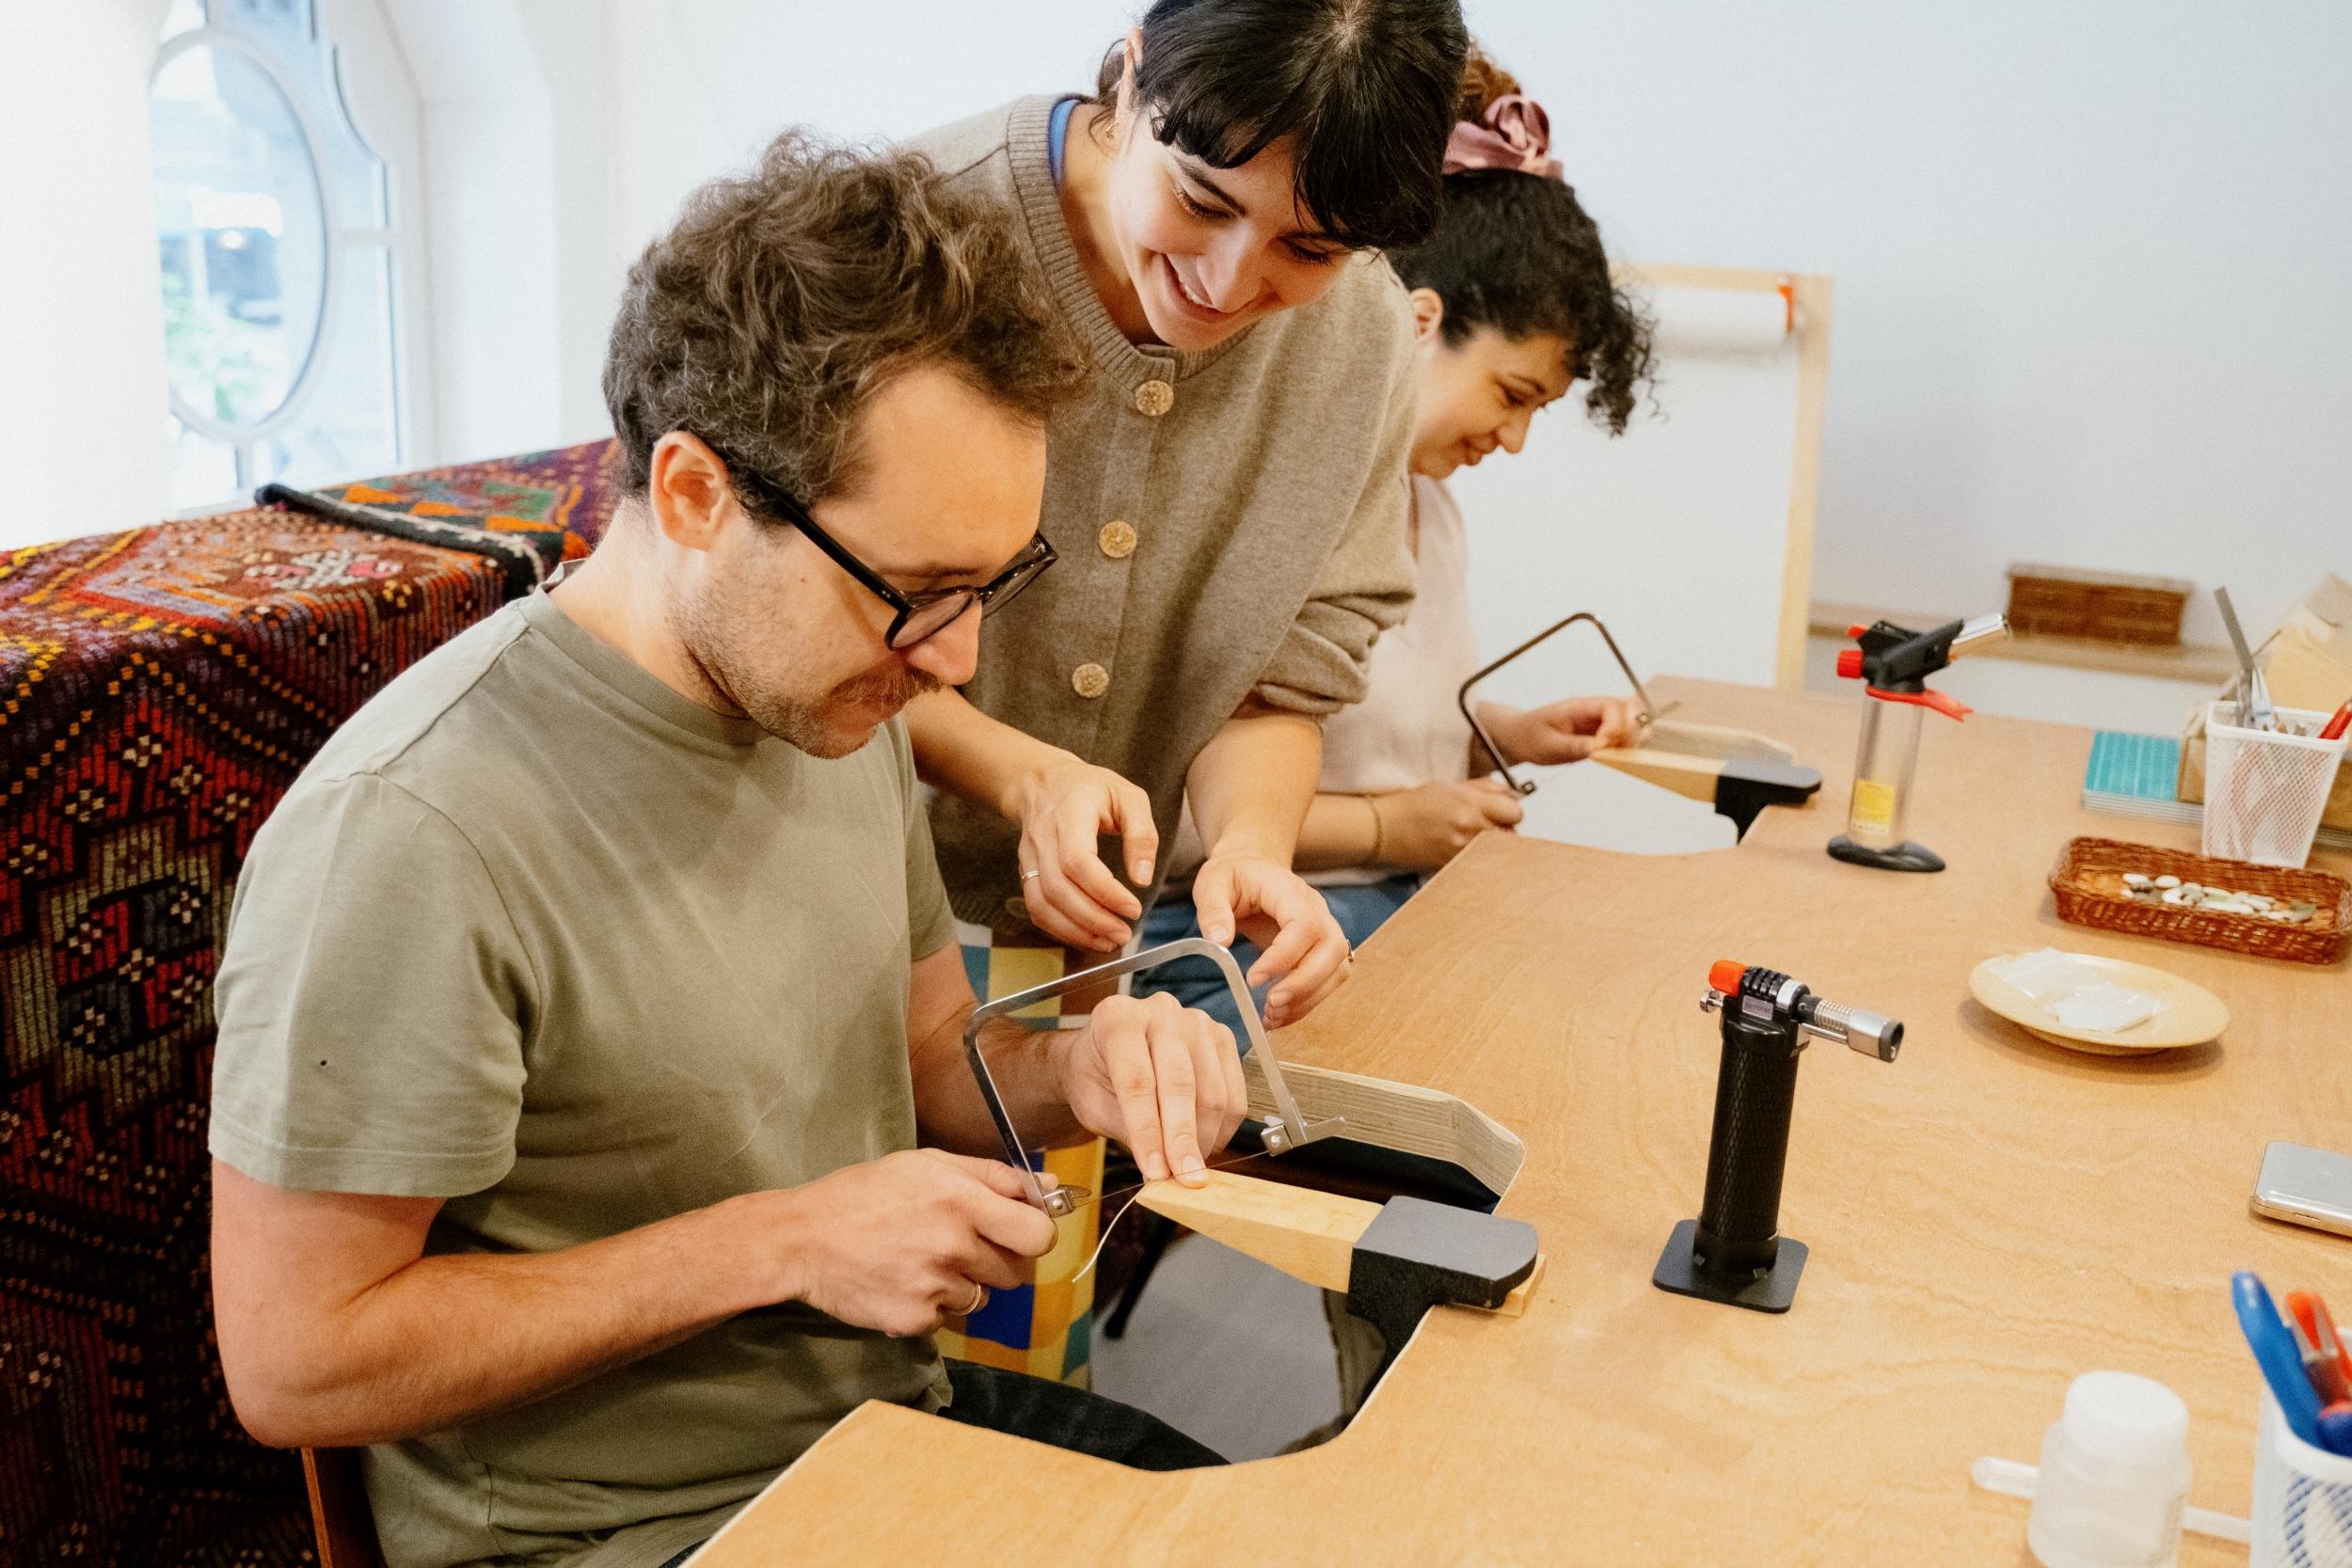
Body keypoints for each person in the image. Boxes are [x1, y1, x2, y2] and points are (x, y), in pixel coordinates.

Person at [206, 137, 1249, 1568]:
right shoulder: (412, 832)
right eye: (918, 590)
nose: (958, 656)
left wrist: (1085, 1066)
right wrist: (787, 1241)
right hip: (634, 1530)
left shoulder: (830, 698)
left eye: (993, 581)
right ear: (695, 494)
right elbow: (296, 1361)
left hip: (889, 1442)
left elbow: (933, 1053)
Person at [899, 0, 1470, 1380]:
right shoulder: (912, 244)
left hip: (1076, 961)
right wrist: (1014, 767)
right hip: (838, 921)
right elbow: (778, 614)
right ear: (1130, 72)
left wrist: (1258, 851)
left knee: (1015, 1373)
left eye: (1307, 248)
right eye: (1202, 200)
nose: (1225, 279)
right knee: (823, 1387)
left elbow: (1287, 675)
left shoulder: (1364, 341)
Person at [1136, 51, 1659, 1029]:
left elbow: (1378, 725)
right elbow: (1175, 820)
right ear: (1412, 322)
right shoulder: (1279, 508)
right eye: (1511, 395)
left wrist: (1505, 732)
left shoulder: (1433, 513)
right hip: (1237, 934)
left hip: (1387, 904)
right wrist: (1387, 826)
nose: (1512, 439)